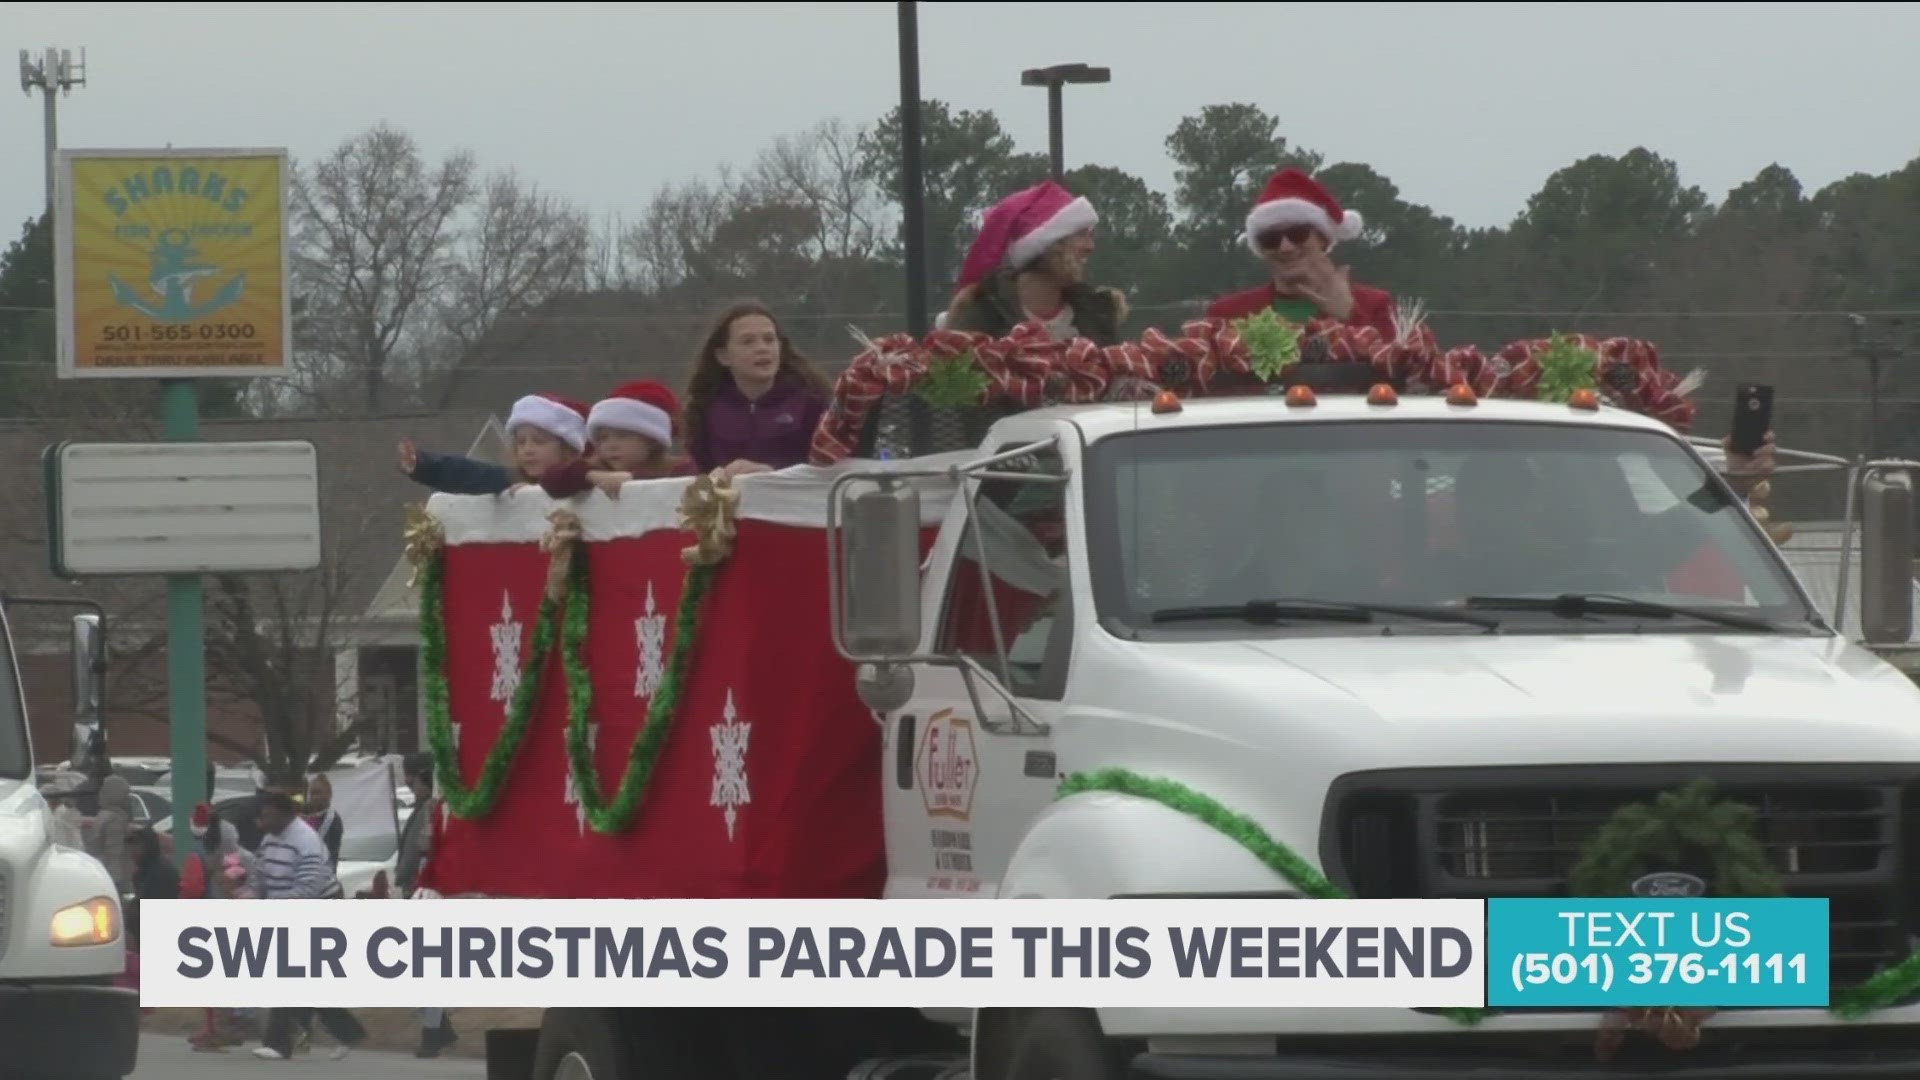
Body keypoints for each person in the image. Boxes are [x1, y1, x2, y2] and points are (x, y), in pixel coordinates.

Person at [1206, 167, 1397, 340]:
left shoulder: (1375, 305)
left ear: (1323, 238)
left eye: (1298, 234)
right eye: (1271, 239)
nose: (1285, 247)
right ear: (1261, 249)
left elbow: (1396, 367)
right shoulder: (1228, 315)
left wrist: (1350, 315)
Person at [249, 791, 364, 1062]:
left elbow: (309, 888)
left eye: (266, 815)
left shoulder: (305, 841)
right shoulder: (271, 838)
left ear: (284, 814)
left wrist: (270, 904)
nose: (261, 821)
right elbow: (260, 871)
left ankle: (279, 1044)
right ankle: (348, 1032)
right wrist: (252, 892)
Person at [941, 179, 1127, 345]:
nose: (1090, 246)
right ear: (1047, 245)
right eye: (1080, 234)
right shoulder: (982, 317)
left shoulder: (1096, 317)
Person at [683, 301, 832, 477]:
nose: (762, 348)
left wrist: (772, 475)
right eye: (748, 342)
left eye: (769, 340)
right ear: (723, 356)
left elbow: (828, 472)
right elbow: (700, 471)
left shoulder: (813, 401)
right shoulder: (704, 408)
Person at [393, 754, 459, 1057]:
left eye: (413, 778)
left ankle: (434, 1033)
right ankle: (438, 1029)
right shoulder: (426, 809)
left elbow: (419, 855)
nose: (409, 783)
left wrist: (405, 878)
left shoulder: (432, 811)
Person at [399, 392, 592, 494]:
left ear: (569, 450)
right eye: (521, 442)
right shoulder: (511, 480)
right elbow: (467, 474)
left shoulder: (588, 482)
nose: (528, 450)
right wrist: (422, 464)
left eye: (539, 442)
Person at [540, 379, 696, 499]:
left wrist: (633, 479)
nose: (610, 446)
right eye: (603, 438)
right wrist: (590, 476)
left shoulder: (681, 469)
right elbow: (551, 479)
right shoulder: (600, 469)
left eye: (623, 436)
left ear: (652, 440)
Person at [304, 773, 344, 870]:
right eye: (312, 793)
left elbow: (326, 851)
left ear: (329, 794)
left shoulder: (332, 819)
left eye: (317, 793)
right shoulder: (307, 817)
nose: (314, 797)